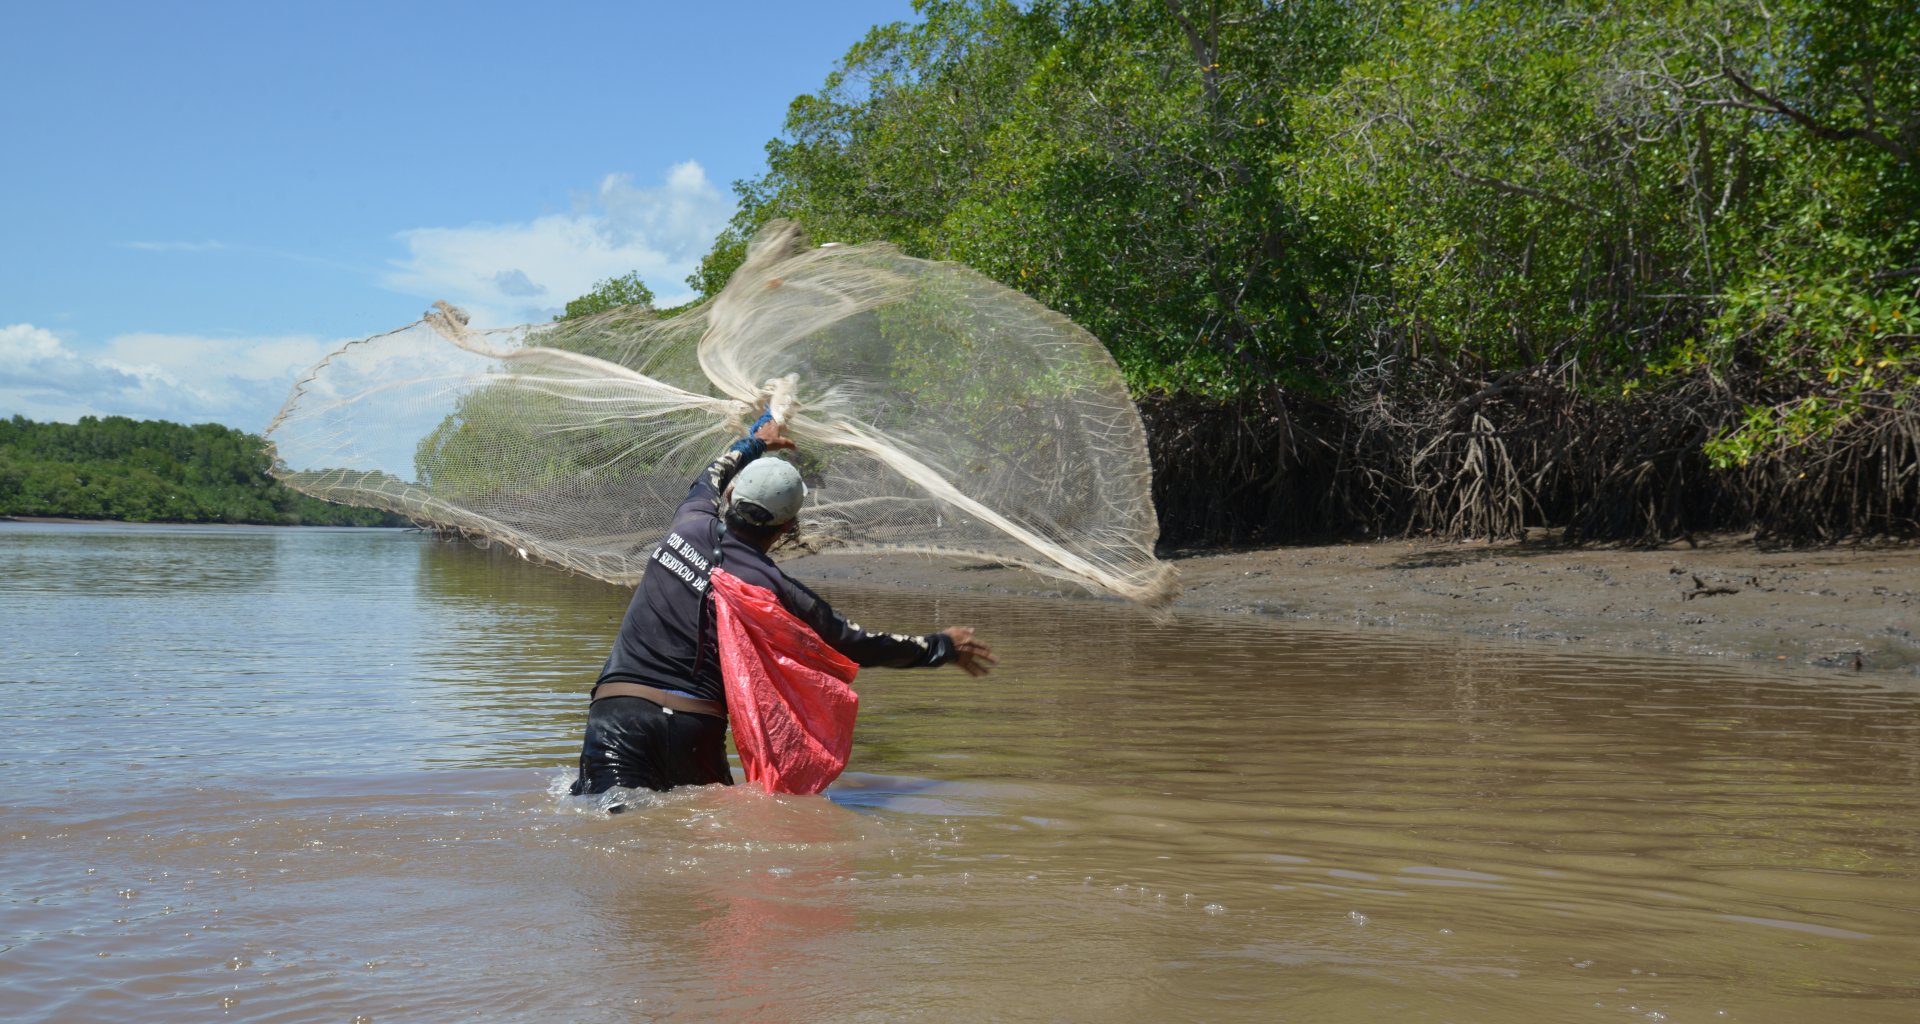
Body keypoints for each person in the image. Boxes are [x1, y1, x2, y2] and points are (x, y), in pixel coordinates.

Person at [571, 414, 998, 795]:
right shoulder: (775, 588)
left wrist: (757, 440)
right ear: (789, 525)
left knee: (613, 837)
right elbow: (855, 643)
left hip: (616, 713)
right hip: (691, 727)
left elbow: (713, 471)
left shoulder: (688, 522)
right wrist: (940, 646)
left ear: (731, 497)